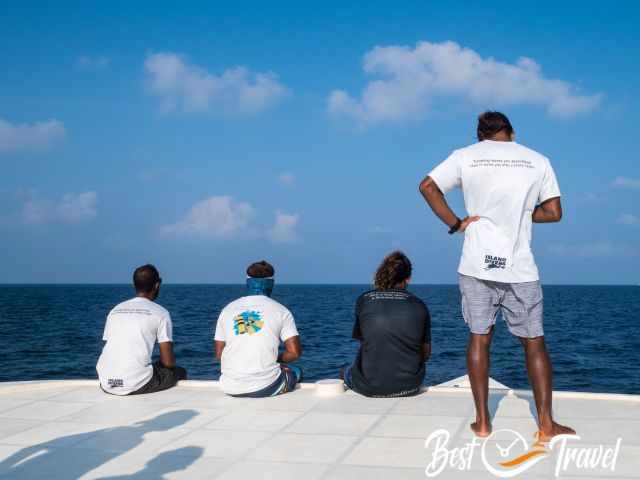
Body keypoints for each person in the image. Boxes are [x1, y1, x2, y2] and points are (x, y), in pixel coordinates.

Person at [419, 111, 575, 441]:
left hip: (477, 264)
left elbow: (428, 187)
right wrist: (519, 214)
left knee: (480, 338)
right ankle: (546, 425)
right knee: (534, 344)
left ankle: (483, 422)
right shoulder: (537, 160)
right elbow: (554, 212)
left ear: (480, 136)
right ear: (511, 132)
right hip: (520, 267)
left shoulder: (465, 156)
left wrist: (456, 223)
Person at [342, 251, 431, 397]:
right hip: (410, 387)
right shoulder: (419, 305)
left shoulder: (364, 300)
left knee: (344, 371)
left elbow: (365, 343)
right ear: (408, 279)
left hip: (369, 387)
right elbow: (426, 354)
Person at [214, 260, 302, 397]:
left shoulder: (228, 309)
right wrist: (275, 359)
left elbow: (220, 354)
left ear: (247, 282)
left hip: (229, 386)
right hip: (265, 387)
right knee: (296, 371)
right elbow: (294, 353)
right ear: (271, 283)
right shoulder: (281, 311)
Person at [96, 264, 186, 395]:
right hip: (135, 384)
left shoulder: (115, 310)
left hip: (106, 381)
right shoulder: (161, 313)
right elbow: (168, 362)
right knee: (178, 372)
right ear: (157, 285)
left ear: (134, 285)